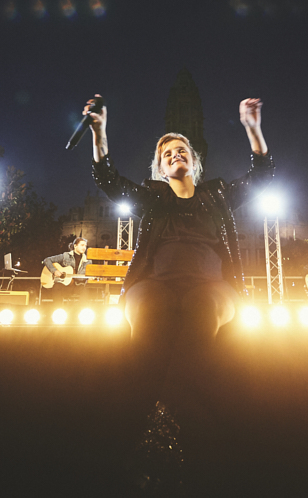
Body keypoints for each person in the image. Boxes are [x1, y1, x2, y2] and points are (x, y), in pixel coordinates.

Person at [84, 93, 273, 492]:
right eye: (167, 152)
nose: (174, 154)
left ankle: (182, 432)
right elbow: (107, 179)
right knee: (152, 313)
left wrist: (252, 127)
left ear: (194, 161)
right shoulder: (152, 197)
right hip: (155, 284)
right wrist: (99, 131)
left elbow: (261, 176)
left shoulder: (217, 194)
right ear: (160, 165)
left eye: (181, 149)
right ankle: (146, 430)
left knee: (201, 311)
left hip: (212, 286)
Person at [42, 237, 90, 304]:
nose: (84, 248)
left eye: (85, 246)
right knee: (57, 287)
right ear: (75, 246)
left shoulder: (87, 261)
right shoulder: (66, 256)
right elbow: (47, 260)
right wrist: (54, 271)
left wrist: (90, 277)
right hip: (64, 286)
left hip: (78, 286)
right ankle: (57, 310)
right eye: (82, 245)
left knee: (85, 291)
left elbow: (81, 278)